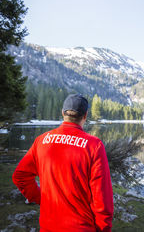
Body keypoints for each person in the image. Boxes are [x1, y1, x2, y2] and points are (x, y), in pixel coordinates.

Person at [12, 94, 114, 232]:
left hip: (48, 226)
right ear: (85, 116)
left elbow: (20, 176)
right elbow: (102, 197)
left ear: (62, 113)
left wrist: (41, 198)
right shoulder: (94, 146)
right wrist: (103, 228)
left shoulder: (41, 140)